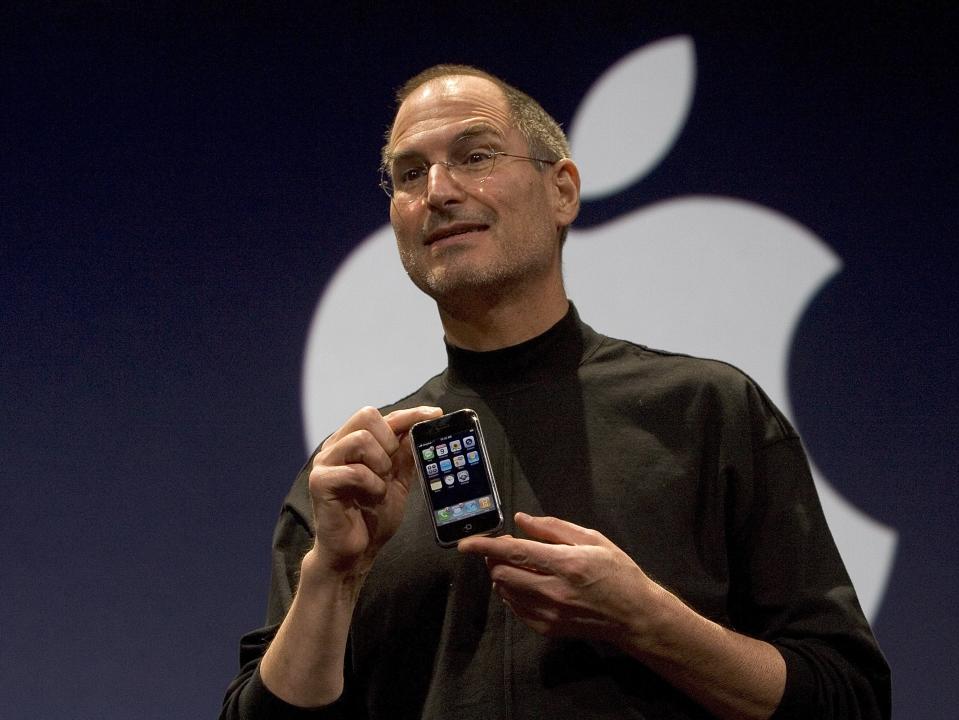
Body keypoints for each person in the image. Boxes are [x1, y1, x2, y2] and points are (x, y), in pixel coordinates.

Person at [221, 65, 890, 719]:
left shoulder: (707, 410)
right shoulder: (356, 477)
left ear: (562, 190)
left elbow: (848, 697)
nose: (439, 191)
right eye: (410, 173)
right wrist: (333, 577)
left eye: (475, 155)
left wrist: (648, 621)